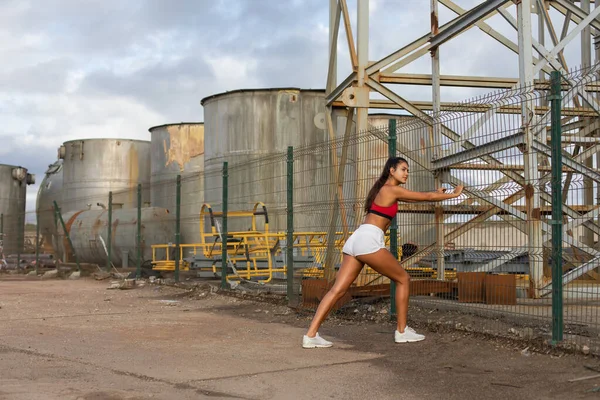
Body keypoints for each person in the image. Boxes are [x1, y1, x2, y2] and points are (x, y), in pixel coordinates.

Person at [302, 156, 463, 348]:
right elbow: (426, 198)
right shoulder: (391, 189)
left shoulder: (383, 190)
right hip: (369, 240)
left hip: (357, 239)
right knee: (403, 279)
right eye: (403, 169)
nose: (407, 173)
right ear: (391, 171)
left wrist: (435, 193)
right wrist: (453, 195)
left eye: (408, 170)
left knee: (337, 290)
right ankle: (402, 331)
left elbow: (417, 197)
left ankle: (311, 335)